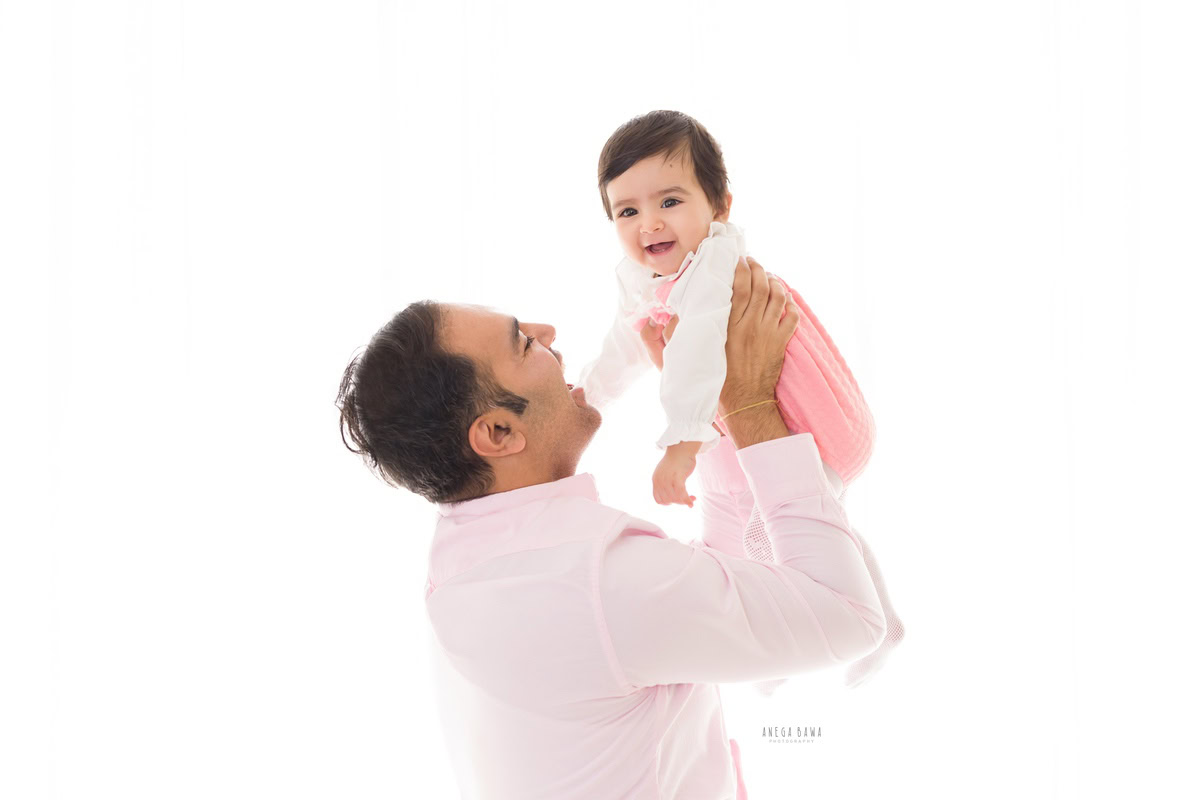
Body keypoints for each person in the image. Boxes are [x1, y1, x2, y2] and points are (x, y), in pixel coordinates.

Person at [336, 259, 887, 799]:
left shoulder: (464, 560)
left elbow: (708, 592)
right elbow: (849, 615)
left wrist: (712, 416)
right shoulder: (596, 580)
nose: (547, 333)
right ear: (499, 432)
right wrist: (749, 406)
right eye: (523, 343)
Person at [579, 109, 906, 692]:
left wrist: (681, 445)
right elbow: (626, 340)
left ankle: (866, 629)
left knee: (782, 537)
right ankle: (778, 654)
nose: (649, 223)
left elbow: (701, 353)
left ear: (720, 206)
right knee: (747, 543)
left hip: (796, 423)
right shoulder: (653, 276)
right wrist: (588, 395)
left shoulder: (712, 272)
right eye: (627, 210)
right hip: (742, 429)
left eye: (670, 202)